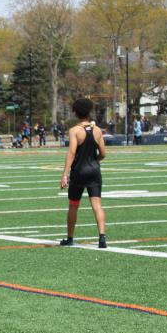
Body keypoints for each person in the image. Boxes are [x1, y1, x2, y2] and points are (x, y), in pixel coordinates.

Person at [59, 97, 107, 248]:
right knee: (97, 205)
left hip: (79, 172)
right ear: (89, 111)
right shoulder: (97, 130)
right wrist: (94, 160)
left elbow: (72, 152)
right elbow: (103, 153)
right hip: (94, 171)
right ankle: (102, 237)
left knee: (73, 205)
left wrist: (65, 174)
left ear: (75, 112)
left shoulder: (74, 131)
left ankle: (70, 238)